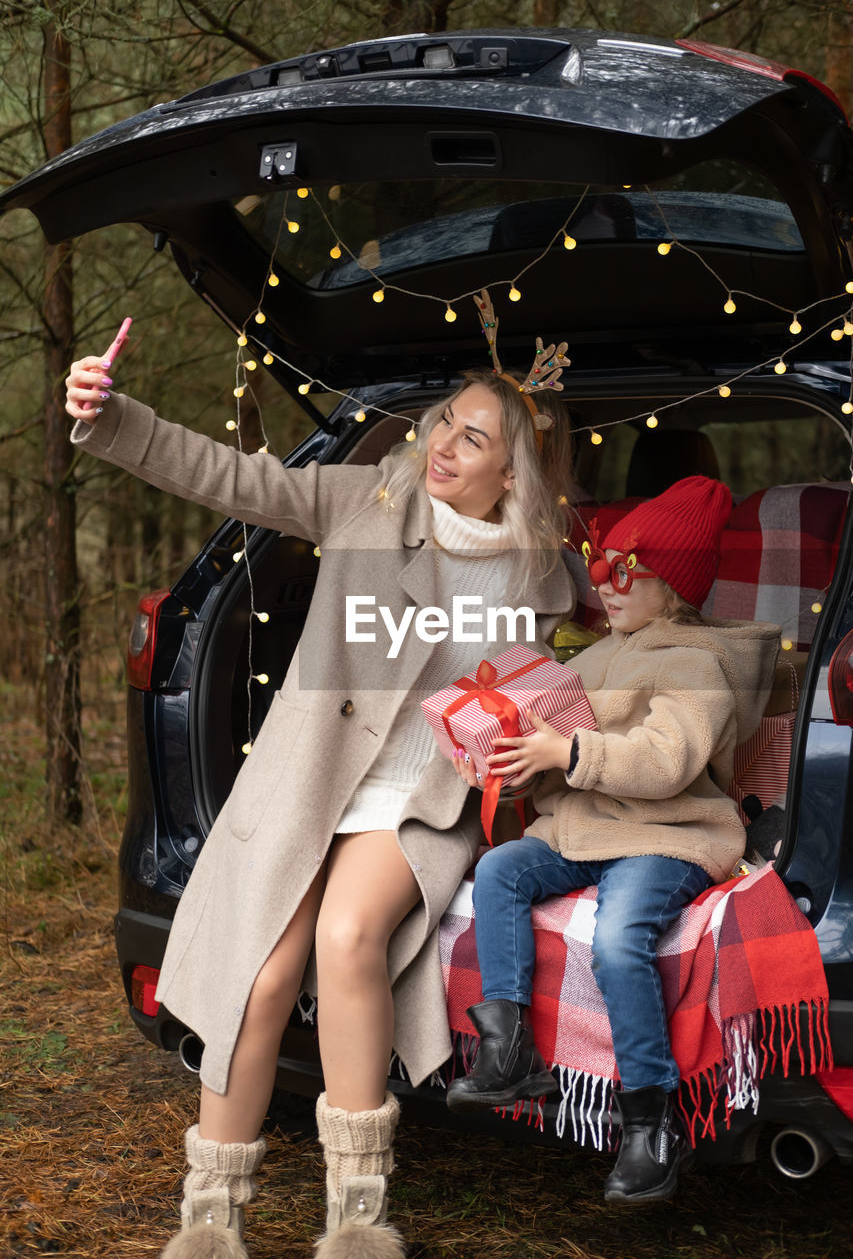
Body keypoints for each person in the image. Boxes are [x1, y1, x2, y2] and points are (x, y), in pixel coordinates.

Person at [64, 336, 575, 1257]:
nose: (443, 445)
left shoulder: (542, 570)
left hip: (417, 800)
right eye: (443, 424)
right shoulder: (372, 498)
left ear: (517, 470)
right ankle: (212, 1216)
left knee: (347, 939)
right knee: (260, 974)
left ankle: (357, 1214)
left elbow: (574, 660)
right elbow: (233, 477)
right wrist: (109, 416)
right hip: (312, 777)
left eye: (473, 438)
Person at [446, 476, 781, 1204]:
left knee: (620, 936)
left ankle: (649, 1124)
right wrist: (517, 761)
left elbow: (665, 762)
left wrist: (564, 756)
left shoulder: (699, 662)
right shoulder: (594, 657)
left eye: (629, 570)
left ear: (676, 589)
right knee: (502, 867)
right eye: (603, 561)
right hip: (587, 827)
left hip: (668, 834)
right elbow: (555, 749)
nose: (605, 580)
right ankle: (509, 1055)